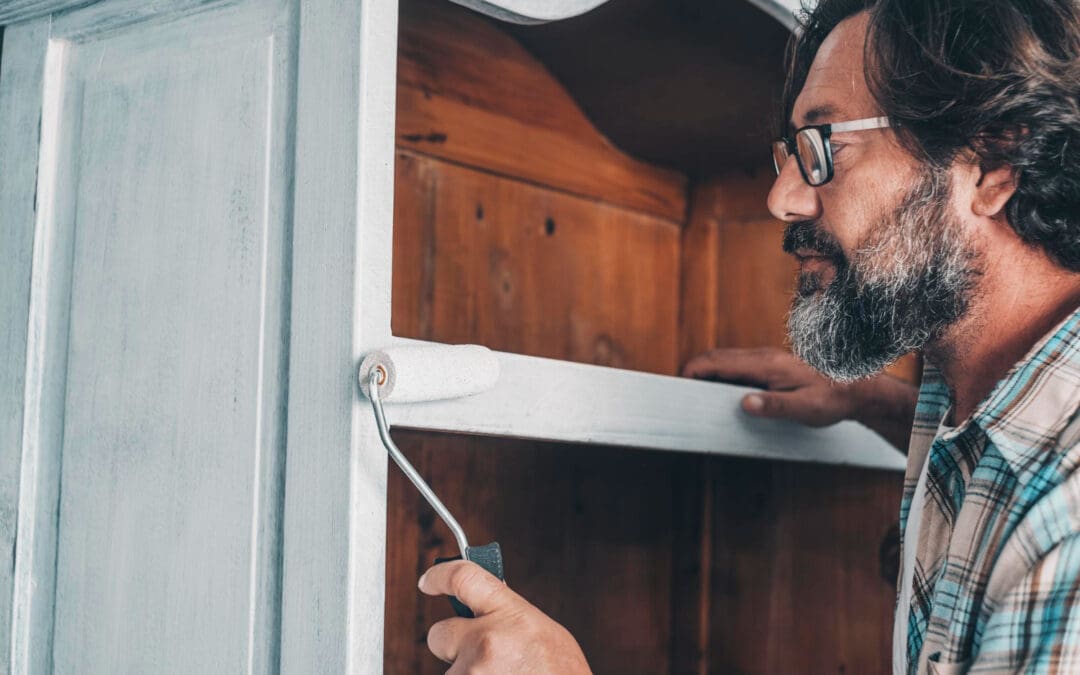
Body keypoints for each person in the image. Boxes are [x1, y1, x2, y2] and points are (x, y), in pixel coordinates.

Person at [417, 0, 1080, 670]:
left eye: (825, 146)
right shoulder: (976, 371)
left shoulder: (1067, 519)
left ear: (992, 165)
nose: (782, 198)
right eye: (789, 152)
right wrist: (874, 403)